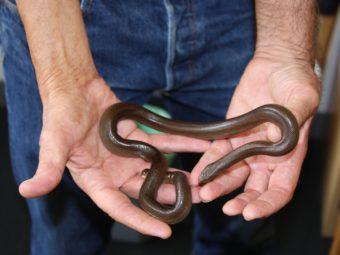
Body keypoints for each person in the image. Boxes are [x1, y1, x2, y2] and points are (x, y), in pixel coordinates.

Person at [0, 0, 320, 254]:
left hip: (238, 13)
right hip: (66, 20)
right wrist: (64, 78)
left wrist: (285, 51)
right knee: (65, 234)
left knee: (239, 225)